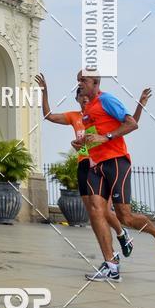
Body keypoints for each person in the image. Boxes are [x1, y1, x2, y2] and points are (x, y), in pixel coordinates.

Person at [77, 71, 155, 281]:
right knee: (96, 211)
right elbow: (96, 135)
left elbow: (131, 123)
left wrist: (106, 137)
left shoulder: (106, 100)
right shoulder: (87, 111)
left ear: (95, 82)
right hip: (96, 166)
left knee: (125, 216)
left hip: (116, 162)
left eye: (82, 80)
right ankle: (111, 266)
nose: (79, 84)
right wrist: (83, 141)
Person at [35, 73, 134, 260]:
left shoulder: (99, 112)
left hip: (102, 163)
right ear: (78, 100)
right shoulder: (75, 116)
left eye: (86, 98)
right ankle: (111, 256)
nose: (84, 101)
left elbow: (123, 125)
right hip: (84, 165)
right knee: (93, 212)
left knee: (104, 210)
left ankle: (122, 235)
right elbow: (48, 116)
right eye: (81, 99)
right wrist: (44, 92)